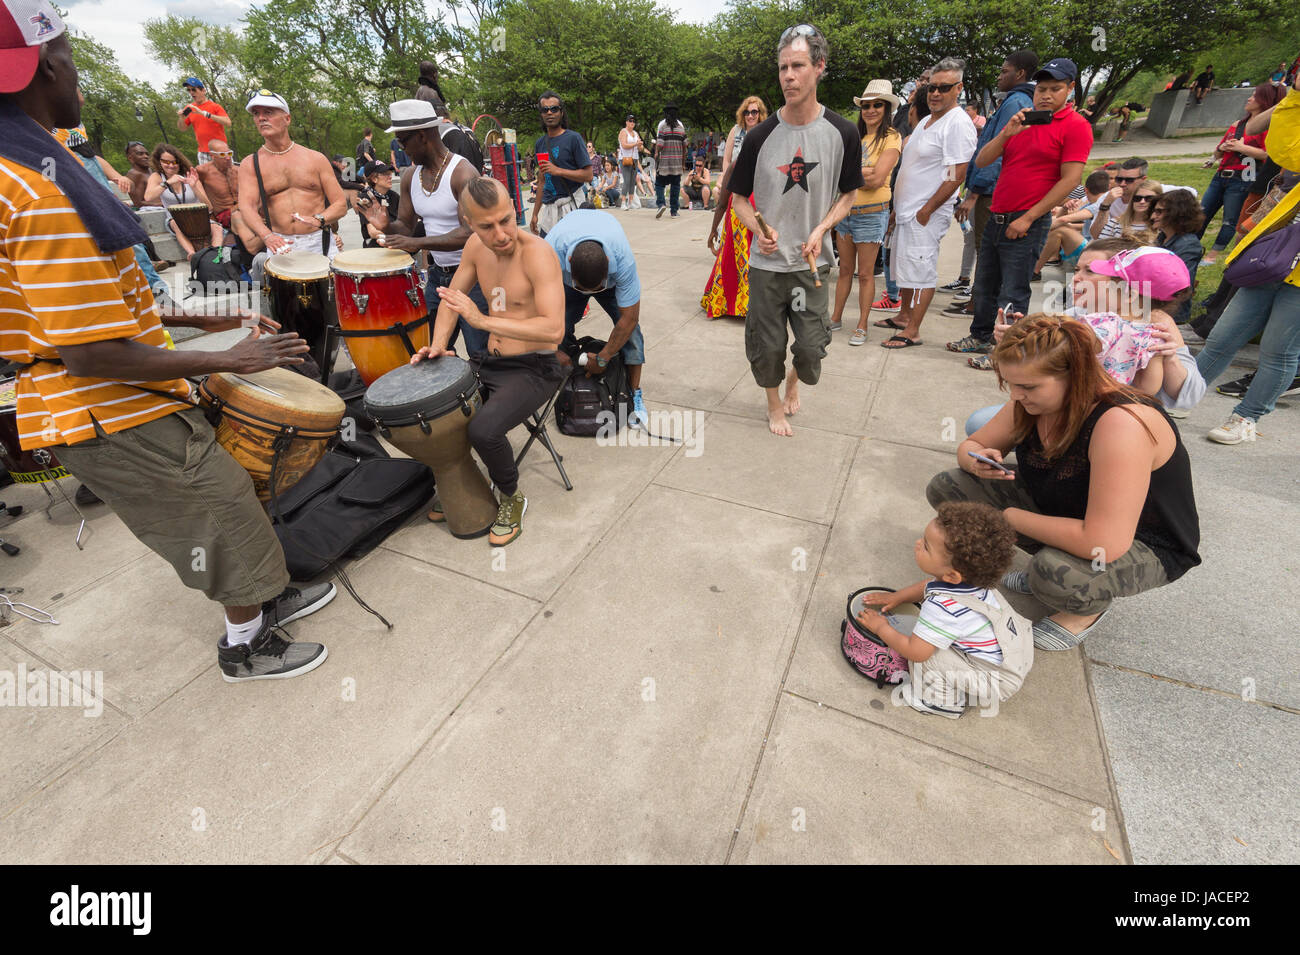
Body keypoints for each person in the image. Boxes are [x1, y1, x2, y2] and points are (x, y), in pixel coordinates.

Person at [0, 8, 334, 680]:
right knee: (217, 506)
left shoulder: (28, 162)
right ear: (46, 65)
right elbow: (89, 352)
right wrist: (226, 360)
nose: (80, 81)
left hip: (115, 395)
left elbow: (113, 301)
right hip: (104, 403)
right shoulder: (36, 191)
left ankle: (265, 597)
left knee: (228, 492)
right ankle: (245, 642)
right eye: (68, 55)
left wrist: (212, 321)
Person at [931, 316, 1201, 649]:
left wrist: (1008, 519)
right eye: (1010, 383)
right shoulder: (1030, 402)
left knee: (1055, 573)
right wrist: (977, 460)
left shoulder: (1122, 424)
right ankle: (1054, 559)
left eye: (1028, 387)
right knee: (950, 487)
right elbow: (969, 447)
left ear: (1076, 376)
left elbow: (1105, 541)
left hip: (1143, 541)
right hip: (1069, 508)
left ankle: (1085, 611)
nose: (1015, 395)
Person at [725, 23, 863, 436]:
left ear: (818, 67)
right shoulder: (759, 136)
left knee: (810, 346)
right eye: (783, 67)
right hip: (768, 267)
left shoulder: (843, 132)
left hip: (811, 266)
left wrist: (823, 227)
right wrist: (757, 229)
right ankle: (773, 406)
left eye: (798, 65)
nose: (788, 75)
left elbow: (849, 195)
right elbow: (739, 200)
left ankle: (794, 383)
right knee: (766, 347)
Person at [413, 177, 565, 546]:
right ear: (467, 222)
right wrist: (438, 345)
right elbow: (454, 298)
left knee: (483, 429)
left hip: (536, 366)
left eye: (506, 220)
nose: (500, 234)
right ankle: (462, 482)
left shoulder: (538, 253)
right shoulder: (474, 248)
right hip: (490, 361)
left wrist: (480, 321)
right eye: (486, 226)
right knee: (436, 410)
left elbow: (554, 330)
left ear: (514, 208)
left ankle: (511, 497)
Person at [946, 58, 1090, 363]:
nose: (1046, 95)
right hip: (998, 213)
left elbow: (1071, 179)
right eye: (1042, 89)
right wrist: (1007, 132)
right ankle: (980, 336)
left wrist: (1029, 217)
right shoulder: (1022, 122)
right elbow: (983, 160)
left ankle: (1005, 351)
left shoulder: (1075, 127)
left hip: (1027, 220)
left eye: (1055, 89)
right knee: (985, 284)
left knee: (1013, 290)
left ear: (1070, 89)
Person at [1194, 79, 1300, 445]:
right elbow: (1284, 149)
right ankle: (1178, 395)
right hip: (1273, 256)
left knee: (1278, 349)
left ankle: (1246, 417)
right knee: (1222, 336)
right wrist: (1297, 96)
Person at [854, 502, 1029, 719]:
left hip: (995, 680)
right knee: (932, 642)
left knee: (929, 656)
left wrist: (881, 627)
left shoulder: (943, 609)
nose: (918, 544)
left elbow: (916, 652)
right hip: (1014, 653)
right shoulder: (974, 582)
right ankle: (959, 681)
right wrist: (897, 597)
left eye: (926, 546)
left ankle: (940, 702)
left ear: (952, 576)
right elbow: (927, 586)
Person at [358, 99, 490, 357]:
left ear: (422, 136)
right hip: (438, 278)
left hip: (475, 277)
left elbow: (470, 233)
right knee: (432, 351)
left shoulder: (462, 173)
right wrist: (386, 225)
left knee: (480, 353)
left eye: (402, 141)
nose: (401, 148)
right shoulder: (410, 176)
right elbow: (405, 227)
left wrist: (418, 244)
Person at [883, 57, 977, 349]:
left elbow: (955, 174)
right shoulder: (926, 121)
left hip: (926, 213)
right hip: (908, 211)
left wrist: (927, 210)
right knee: (908, 269)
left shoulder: (957, 124)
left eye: (944, 88)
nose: (936, 93)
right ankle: (904, 316)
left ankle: (912, 330)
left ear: (958, 88)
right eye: (932, 88)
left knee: (922, 272)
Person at [948, 50, 1038, 323]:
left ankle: (979, 305)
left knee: (985, 254)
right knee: (983, 251)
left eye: (1004, 71)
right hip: (986, 190)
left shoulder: (1017, 103)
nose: (999, 76)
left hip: (989, 193)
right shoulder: (1012, 100)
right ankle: (977, 302)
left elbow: (997, 155)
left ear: (1020, 73)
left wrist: (973, 194)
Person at [544, 209, 649, 429]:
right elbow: (539, 311)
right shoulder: (550, 251)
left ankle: (634, 395)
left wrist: (604, 358)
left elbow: (629, 318)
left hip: (604, 280)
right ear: (568, 261)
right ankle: (563, 383)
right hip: (567, 281)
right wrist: (554, 349)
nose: (589, 293)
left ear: (609, 263)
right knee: (557, 328)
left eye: (596, 288)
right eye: (582, 288)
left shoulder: (622, 259)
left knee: (633, 335)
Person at [236, 90, 347, 273]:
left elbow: (340, 204)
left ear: (287, 119)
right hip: (280, 244)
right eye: (257, 114)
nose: (261, 118)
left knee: (330, 300)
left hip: (319, 241)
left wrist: (319, 219)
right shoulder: (251, 164)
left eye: (268, 112)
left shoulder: (315, 159)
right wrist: (267, 236)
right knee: (288, 301)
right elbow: (246, 207)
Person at [832, 80, 901, 344]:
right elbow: (838, 174)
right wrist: (864, 173)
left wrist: (856, 174)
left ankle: (862, 325)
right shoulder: (854, 136)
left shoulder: (892, 137)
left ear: (886, 108)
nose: (870, 110)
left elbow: (877, 178)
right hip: (846, 211)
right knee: (845, 270)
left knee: (866, 273)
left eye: (877, 105)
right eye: (866, 105)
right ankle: (835, 318)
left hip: (872, 213)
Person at [701, 96, 769, 320]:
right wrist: (713, 229)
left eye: (755, 112)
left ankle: (753, 304)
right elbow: (723, 199)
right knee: (733, 254)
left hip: (762, 206)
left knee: (756, 256)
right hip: (737, 205)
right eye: (748, 112)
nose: (751, 116)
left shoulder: (769, 141)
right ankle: (735, 304)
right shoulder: (736, 148)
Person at [1198, 84, 1280, 266]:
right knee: (1202, 213)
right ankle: (1192, 248)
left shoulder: (1267, 127)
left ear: (1264, 101)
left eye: (1254, 96)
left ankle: (1212, 256)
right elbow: (1218, 152)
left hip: (1242, 178)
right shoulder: (1237, 125)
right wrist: (1221, 148)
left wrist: (1242, 148)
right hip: (1221, 175)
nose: (1249, 99)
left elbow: (1268, 154)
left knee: (1230, 219)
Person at [142, 143, 224, 260]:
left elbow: (209, 207)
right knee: (176, 223)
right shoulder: (157, 176)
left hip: (198, 217)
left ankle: (217, 254)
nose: (170, 165)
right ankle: (191, 253)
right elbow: (148, 197)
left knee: (217, 228)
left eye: (174, 162)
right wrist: (167, 183)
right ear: (159, 161)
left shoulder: (189, 175)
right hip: (174, 219)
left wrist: (194, 186)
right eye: (166, 162)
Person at [1031, 168, 1110, 284]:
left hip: (1097, 252)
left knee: (1059, 230)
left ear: (1085, 190)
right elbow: (1066, 215)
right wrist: (1064, 208)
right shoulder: (1088, 199)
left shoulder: (1099, 202)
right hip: (1093, 245)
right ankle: (1037, 264)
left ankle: (1034, 271)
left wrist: (1030, 228)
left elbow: (1064, 219)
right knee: (1059, 226)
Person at [529, 91, 592, 236]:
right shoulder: (540, 144)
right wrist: (535, 214)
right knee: (548, 254)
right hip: (550, 212)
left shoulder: (573, 138)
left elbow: (588, 175)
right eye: (545, 110)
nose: (549, 113)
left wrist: (558, 171)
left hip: (571, 208)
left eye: (554, 109)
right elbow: (542, 181)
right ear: (541, 114)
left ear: (561, 112)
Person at [1150, 189, 1204, 323]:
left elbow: (1180, 287)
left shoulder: (1188, 245)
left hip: (1171, 313)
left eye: (1159, 212)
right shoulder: (1162, 237)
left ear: (1177, 213)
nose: (1153, 216)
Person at [1090, 157, 1150, 240]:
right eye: (1119, 179)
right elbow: (1096, 235)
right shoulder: (1108, 197)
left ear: (1143, 179)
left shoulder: (1157, 194)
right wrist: (1105, 205)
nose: (1122, 184)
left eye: (1129, 180)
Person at [176, 79, 231, 165]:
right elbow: (182, 128)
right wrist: (181, 118)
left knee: (228, 175)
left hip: (220, 151)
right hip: (203, 153)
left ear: (203, 91)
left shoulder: (215, 106)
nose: (191, 92)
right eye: (189, 90)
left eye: (194, 89)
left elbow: (228, 122)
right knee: (207, 178)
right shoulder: (189, 108)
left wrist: (205, 114)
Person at [194, 137, 240, 232]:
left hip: (244, 209)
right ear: (212, 155)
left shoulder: (238, 170)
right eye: (222, 155)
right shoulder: (203, 171)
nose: (227, 158)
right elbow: (196, 191)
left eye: (229, 153)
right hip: (224, 215)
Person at [653, 102, 688, 218]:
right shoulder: (681, 128)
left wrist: (656, 153)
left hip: (664, 163)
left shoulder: (662, 127)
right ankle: (673, 211)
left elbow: (660, 144)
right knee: (675, 186)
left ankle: (661, 204)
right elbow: (685, 148)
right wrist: (683, 164)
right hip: (677, 163)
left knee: (659, 184)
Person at [356, 160, 398, 248]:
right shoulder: (365, 198)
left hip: (395, 241)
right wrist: (402, 233)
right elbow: (373, 232)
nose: (390, 177)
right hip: (376, 246)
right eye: (386, 174)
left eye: (390, 173)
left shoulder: (394, 196)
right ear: (374, 179)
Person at [616, 114, 648, 209]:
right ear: (626, 122)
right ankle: (623, 203)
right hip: (625, 158)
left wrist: (641, 146)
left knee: (632, 181)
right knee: (626, 180)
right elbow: (624, 145)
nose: (632, 123)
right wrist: (636, 144)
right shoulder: (623, 131)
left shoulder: (636, 133)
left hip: (634, 158)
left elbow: (640, 147)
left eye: (634, 121)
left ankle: (630, 202)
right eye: (630, 121)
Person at [123, 140, 153, 208]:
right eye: (140, 154)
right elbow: (138, 203)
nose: (146, 156)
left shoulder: (149, 170)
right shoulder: (134, 174)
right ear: (130, 158)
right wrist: (162, 204)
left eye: (147, 154)